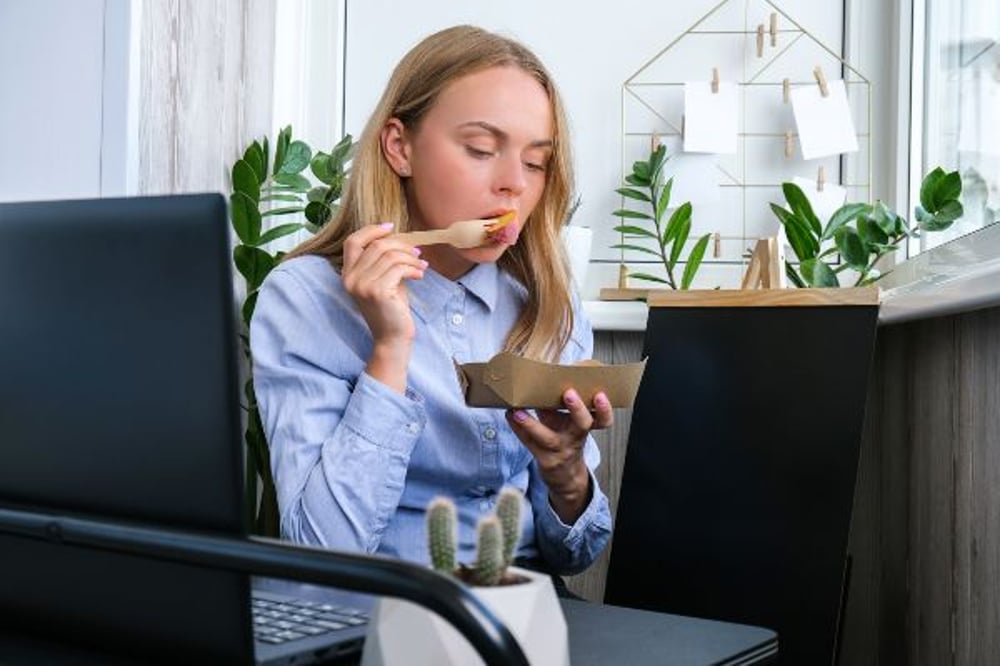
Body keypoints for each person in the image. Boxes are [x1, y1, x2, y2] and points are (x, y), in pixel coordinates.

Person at [250, 25, 613, 580]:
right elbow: (320, 554)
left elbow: (575, 554)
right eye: (481, 149)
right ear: (400, 147)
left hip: (522, 613)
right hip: (383, 619)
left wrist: (566, 474)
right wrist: (390, 349)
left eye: (537, 162)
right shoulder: (304, 299)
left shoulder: (549, 306)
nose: (514, 183)